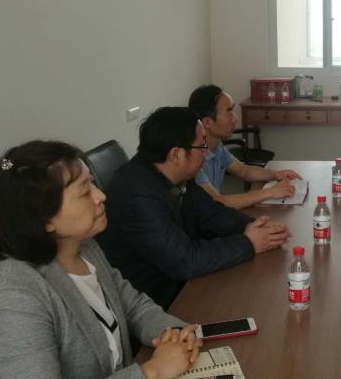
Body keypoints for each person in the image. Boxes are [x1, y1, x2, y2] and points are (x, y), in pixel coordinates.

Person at [0, 141, 203, 379]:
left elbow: (133, 306)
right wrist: (152, 371)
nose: (101, 195)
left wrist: (172, 333)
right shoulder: (12, 299)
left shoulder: (84, 247)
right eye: (84, 192)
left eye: (92, 182)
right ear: (44, 220)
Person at [97, 107, 290, 309]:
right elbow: (184, 261)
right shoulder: (137, 195)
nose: (207, 152)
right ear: (176, 155)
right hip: (158, 303)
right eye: (202, 145)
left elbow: (211, 213)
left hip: (183, 283)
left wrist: (255, 227)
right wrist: (248, 243)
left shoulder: (174, 174)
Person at [188, 84, 302, 209]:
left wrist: (276, 174)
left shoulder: (217, 146)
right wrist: (270, 192)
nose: (235, 119)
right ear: (207, 122)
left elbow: (244, 171)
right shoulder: (192, 158)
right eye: (229, 112)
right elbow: (217, 201)